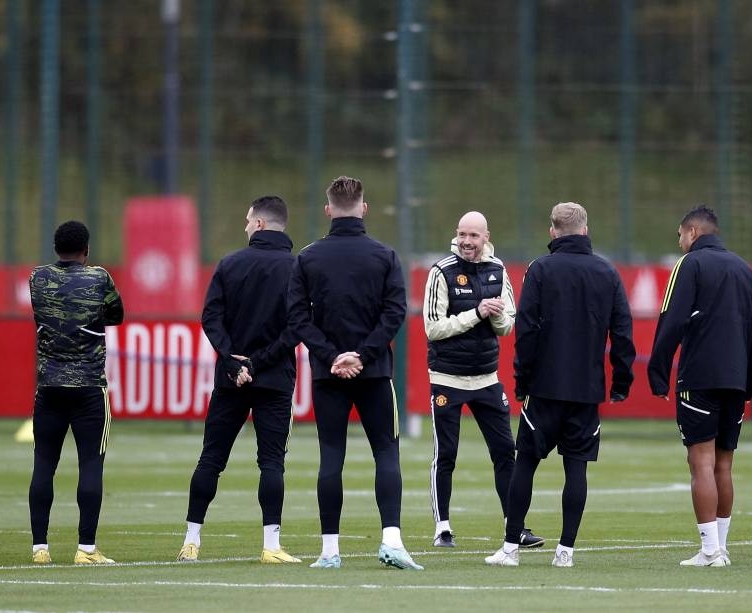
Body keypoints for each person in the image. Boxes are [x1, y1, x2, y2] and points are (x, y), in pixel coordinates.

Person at [485, 202, 635, 568]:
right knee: (577, 468)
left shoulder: (540, 269)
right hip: (586, 390)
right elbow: (623, 333)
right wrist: (620, 382)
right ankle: (565, 552)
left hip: (545, 388)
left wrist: (522, 380)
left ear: (552, 232)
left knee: (526, 464)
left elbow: (526, 331)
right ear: (586, 230)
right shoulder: (607, 272)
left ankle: (510, 549)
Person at [287, 175, 422, 570]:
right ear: (364, 208)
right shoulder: (384, 255)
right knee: (386, 451)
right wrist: (362, 355)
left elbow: (297, 317)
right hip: (375, 372)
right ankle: (392, 541)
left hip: (329, 375)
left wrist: (331, 356)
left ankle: (330, 552)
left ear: (328, 209)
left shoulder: (308, 257)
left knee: (331, 456)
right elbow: (394, 313)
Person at [177, 196, 301, 564]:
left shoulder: (230, 263)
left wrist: (233, 362)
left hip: (231, 379)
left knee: (211, 459)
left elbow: (211, 318)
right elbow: (297, 328)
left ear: (260, 224)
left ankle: (191, 540)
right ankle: (271, 546)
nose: (246, 226)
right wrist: (260, 362)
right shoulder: (297, 269)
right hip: (275, 377)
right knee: (272, 463)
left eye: (248, 221)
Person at [647, 205, 752, 567]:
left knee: (700, 462)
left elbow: (672, 318)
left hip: (699, 377)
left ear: (693, 233)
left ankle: (710, 550)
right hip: (735, 379)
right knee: (723, 465)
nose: (680, 242)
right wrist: (750, 383)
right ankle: (722, 548)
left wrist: (658, 371)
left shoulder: (690, 265)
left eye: (680, 235)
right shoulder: (744, 268)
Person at [424, 211, 544, 549]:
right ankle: (442, 527)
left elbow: (508, 326)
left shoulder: (498, 269)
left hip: (487, 378)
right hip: (447, 378)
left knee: (506, 451)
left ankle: (515, 527)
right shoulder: (441, 271)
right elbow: (433, 328)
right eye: (462, 234)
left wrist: (496, 315)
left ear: (485, 237)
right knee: (445, 453)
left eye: (473, 236)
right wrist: (476, 312)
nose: (466, 241)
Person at [28, 220, 124, 565]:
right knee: (90, 464)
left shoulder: (37, 278)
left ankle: (40, 548)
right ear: (86, 249)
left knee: (43, 464)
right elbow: (117, 314)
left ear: (56, 247)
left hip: (49, 387)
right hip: (88, 388)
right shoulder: (99, 277)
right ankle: (86, 549)